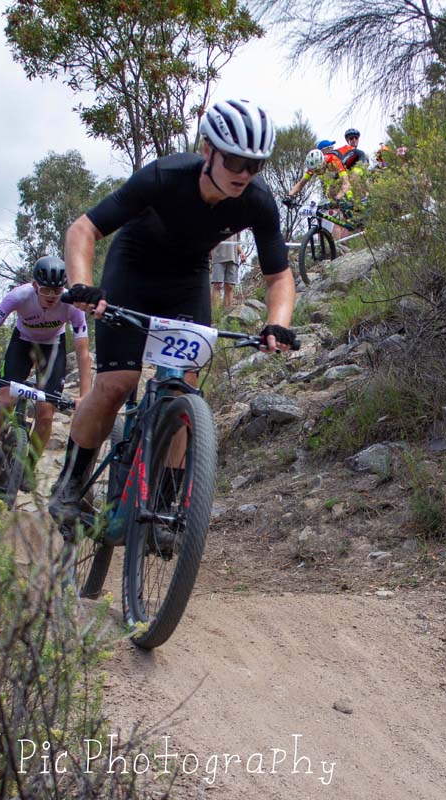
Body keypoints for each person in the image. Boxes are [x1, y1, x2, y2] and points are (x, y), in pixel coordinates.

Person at [49, 98, 297, 525]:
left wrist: (278, 324)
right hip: (133, 269)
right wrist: (81, 286)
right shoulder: (165, 175)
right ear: (208, 150)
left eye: (254, 165)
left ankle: (163, 506)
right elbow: (83, 229)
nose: (244, 173)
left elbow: (279, 276)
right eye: (235, 161)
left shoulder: (257, 201)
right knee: (117, 384)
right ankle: (70, 484)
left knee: (184, 390)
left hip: (186, 280)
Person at [0, 256, 92, 489]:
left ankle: (28, 469)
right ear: (35, 286)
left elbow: (83, 352)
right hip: (22, 344)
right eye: (46, 290)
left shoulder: (72, 304)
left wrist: (85, 395)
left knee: (46, 414)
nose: (52, 296)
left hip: (53, 348)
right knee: (5, 402)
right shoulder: (19, 295)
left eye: (57, 290)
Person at [210, 234, 244, 310]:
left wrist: (242, 252)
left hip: (233, 257)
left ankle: (227, 313)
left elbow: (237, 242)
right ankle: (215, 313)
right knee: (217, 284)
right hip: (218, 256)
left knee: (230, 286)